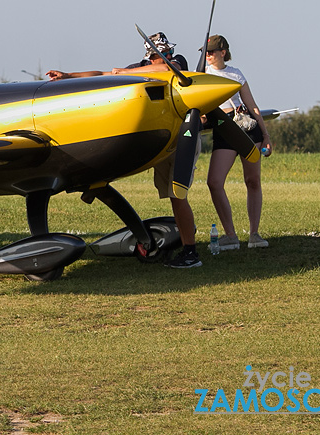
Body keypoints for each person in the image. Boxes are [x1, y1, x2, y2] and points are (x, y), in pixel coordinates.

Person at [47, 32, 204, 268]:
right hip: (158, 140)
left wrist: (126, 73)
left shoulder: (176, 63)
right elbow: (103, 74)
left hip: (181, 137)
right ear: (150, 56)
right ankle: (94, 181)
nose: (168, 56)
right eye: (162, 53)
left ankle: (191, 253)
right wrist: (69, 75)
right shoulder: (139, 67)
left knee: (177, 195)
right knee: (169, 194)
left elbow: (168, 69)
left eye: (168, 51)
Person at [204, 34, 272, 250]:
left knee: (253, 181)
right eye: (206, 52)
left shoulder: (236, 74)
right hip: (223, 130)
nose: (208, 55)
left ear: (222, 53)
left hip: (246, 129)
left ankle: (254, 234)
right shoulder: (202, 74)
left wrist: (266, 135)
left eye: (211, 52)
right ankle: (230, 235)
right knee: (214, 182)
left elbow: (252, 106)